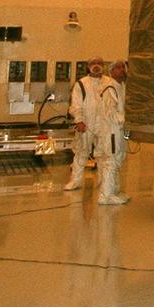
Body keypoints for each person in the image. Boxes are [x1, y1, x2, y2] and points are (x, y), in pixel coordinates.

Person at [64, 57, 109, 192]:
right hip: (86, 123)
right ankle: (75, 181)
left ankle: (103, 182)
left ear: (103, 66)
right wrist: (79, 120)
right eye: (93, 63)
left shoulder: (109, 82)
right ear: (88, 66)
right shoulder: (81, 84)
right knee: (81, 152)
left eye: (99, 63)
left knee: (103, 154)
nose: (96, 66)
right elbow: (76, 104)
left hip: (104, 124)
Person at [94, 62, 129, 205]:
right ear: (111, 71)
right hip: (111, 131)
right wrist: (126, 119)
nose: (122, 70)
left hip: (119, 130)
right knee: (111, 161)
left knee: (118, 160)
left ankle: (114, 191)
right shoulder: (110, 88)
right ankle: (105, 195)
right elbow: (110, 113)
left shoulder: (122, 87)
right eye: (118, 68)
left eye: (123, 67)